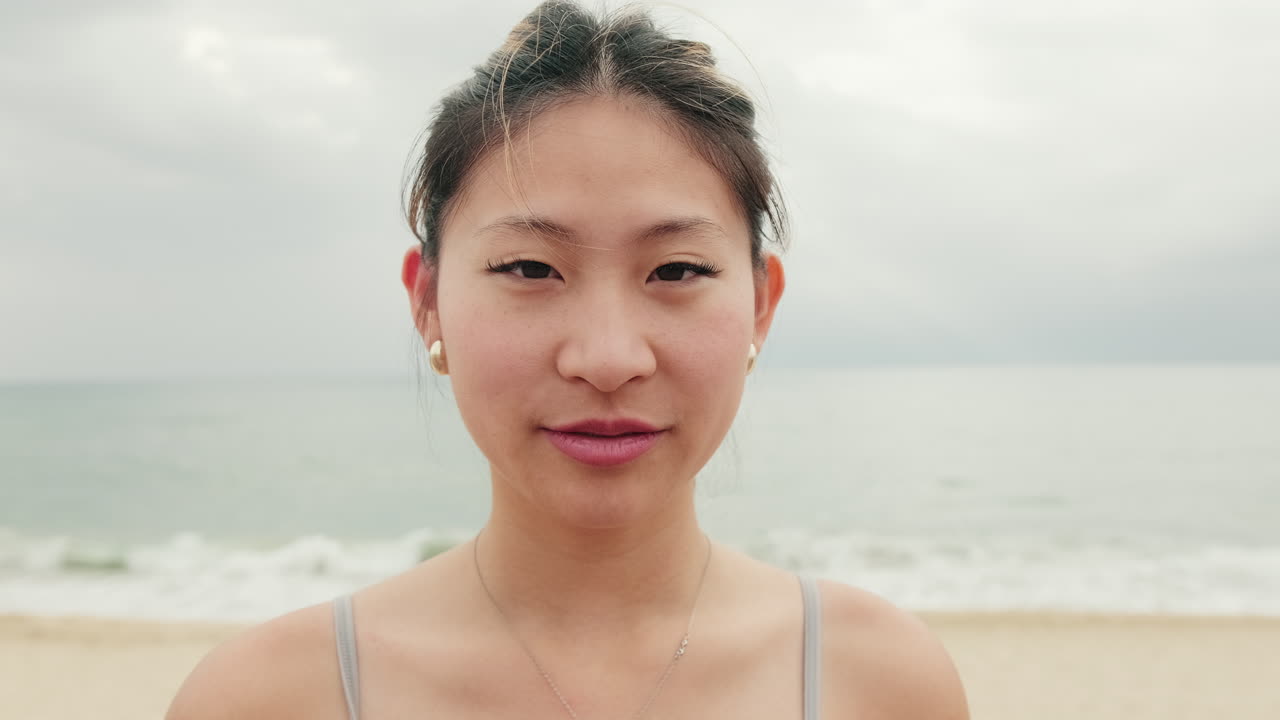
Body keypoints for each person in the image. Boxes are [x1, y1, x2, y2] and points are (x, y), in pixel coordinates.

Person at [167, 2, 969, 718]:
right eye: (530, 269)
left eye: (677, 271)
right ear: (428, 300)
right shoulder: (271, 697)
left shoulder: (878, 683)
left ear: (760, 303)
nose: (609, 359)